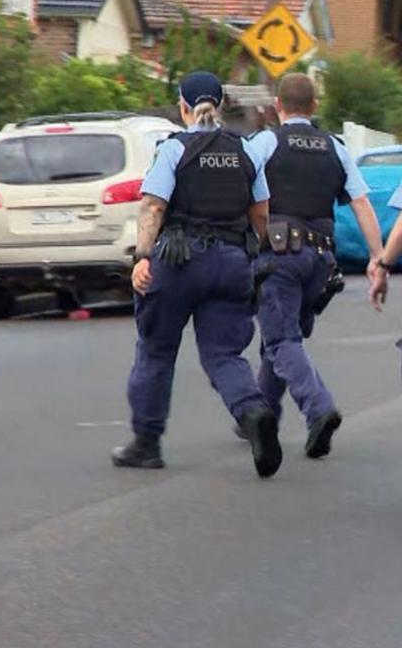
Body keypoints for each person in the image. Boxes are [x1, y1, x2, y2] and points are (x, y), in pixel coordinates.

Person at [112, 71, 283, 479]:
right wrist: (256, 254)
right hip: (230, 262)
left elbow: (153, 207)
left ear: (183, 107)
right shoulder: (245, 151)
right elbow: (261, 214)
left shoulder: (173, 150)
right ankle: (254, 411)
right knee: (224, 355)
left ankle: (146, 444)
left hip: (177, 260)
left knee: (156, 351)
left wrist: (142, 256)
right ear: (221, 105)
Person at [245, 73, 386, 459]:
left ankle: (318, 409)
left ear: (278, 106)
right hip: (322, 262)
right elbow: (361, 203)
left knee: (281, 340)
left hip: (279, 255)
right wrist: (378, 257)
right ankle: (262, 415)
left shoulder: (265, 142)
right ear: (315, 107)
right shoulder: (335, 147)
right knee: (282, 334)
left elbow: (241, 189)